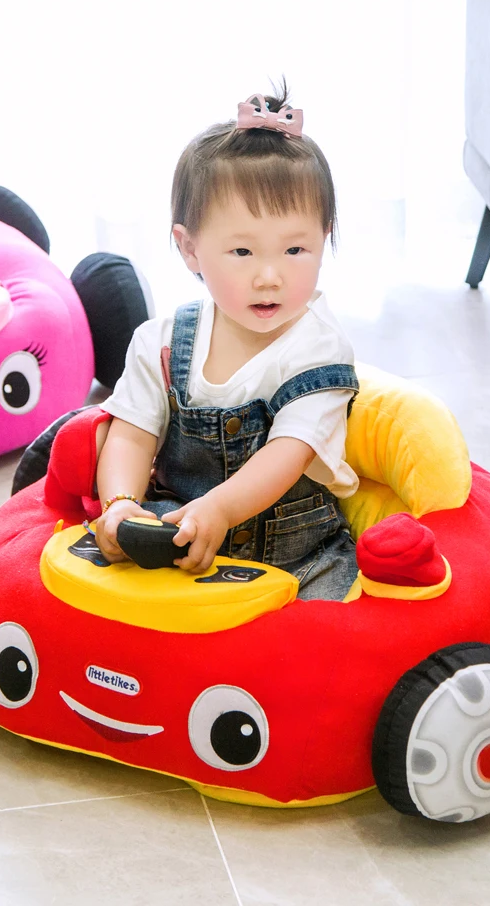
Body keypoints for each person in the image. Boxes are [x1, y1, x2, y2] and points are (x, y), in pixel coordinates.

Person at [92, 86, 360, 601]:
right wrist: (121, 503)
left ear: (325, 236)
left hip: (294, 558)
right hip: (178, 534)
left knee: (323, 641)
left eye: (296, 249)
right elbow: (130, 434)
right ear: (189, 248)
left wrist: (220, 508)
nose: (269, 276)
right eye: (241, 250)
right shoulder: (163, 344)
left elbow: (289, 450)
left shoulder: (319, 350)